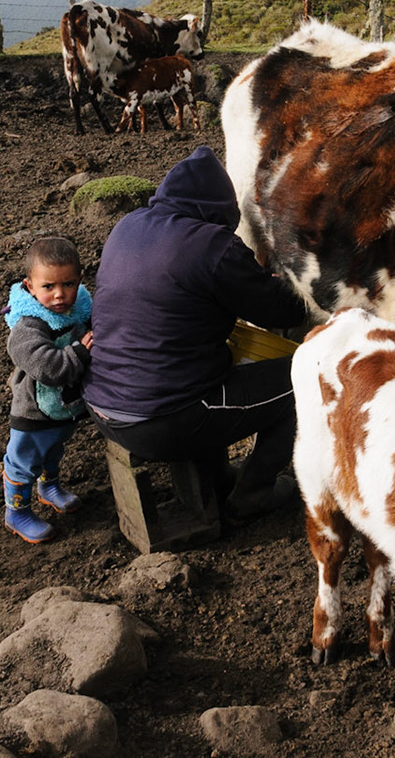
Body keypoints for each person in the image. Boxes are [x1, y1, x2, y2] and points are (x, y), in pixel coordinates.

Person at [82, 145, 310, 521]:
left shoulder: (128, 226)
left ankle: (219, 480)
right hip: (162, 420)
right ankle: (254, 492)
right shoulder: (211, 245)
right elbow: (283, 309)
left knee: (193, 367)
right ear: (220, 210)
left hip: (103, 406)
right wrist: (275, 282)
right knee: (301, 380)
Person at [2, 235, 94, 544]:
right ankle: (16, 512)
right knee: (24, 459)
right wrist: (79, 353)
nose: (59, 295)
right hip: (34, 411)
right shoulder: (27, 327)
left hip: (62, 408)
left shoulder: (78, 310)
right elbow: (47, 367)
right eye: (48, 287)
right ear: (30, 286)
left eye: (68, 284)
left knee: (54, 449)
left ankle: (49, 486)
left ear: (80, 280)